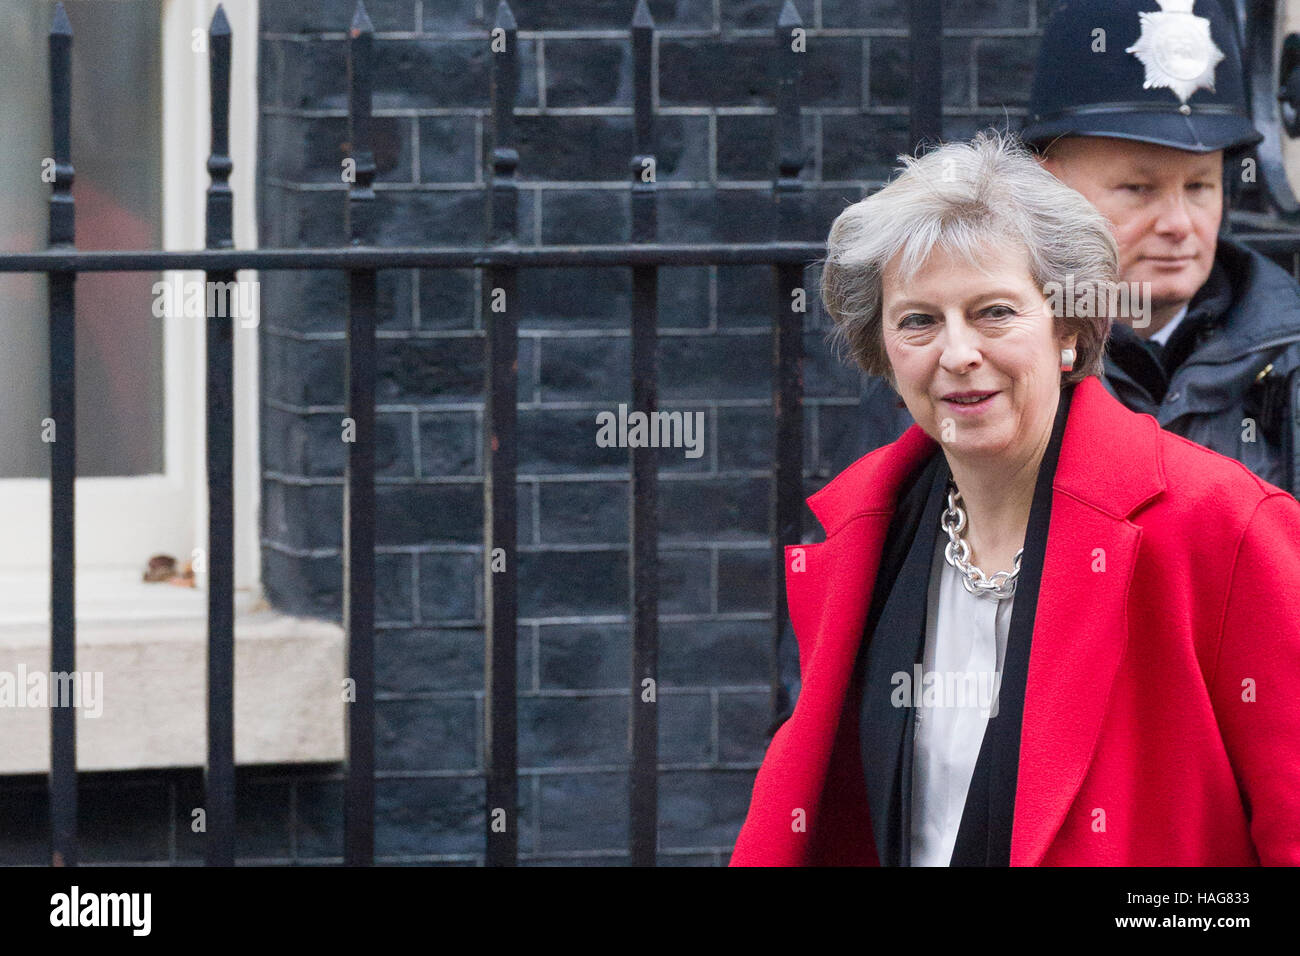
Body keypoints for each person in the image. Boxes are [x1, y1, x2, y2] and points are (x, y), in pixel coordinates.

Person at [731, 132, 1300, 866]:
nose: (958, 352)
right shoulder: (869, 538)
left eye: (995, 311)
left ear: (1067, 329)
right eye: (919, 320)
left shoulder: (1222, 526)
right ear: (884, 349)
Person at [769, 0, 1300, 737]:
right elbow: (852, 620)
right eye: (1139, 188)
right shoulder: (966, 371)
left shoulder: (1291, 359)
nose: (1181, 224)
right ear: (1050, 183)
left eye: (1202, 186)